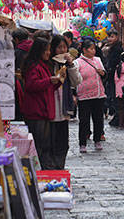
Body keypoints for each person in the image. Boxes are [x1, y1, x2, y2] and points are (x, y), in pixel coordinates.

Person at [21, 37, 64, 168]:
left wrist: (57, 82)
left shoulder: (43, 65)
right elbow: (32, 85)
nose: (48, 53)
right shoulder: (33, 66)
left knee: (44, 144)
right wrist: (50, 81)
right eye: (46, 50)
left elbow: (47, 87)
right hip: (37, 111)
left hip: (44, 110)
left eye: (49, 50)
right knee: (40, 144)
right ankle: (39, 170)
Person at [47, 35, 79, 169]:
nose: (62, 50)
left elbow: (77, 81)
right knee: (50, 140)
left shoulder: (69, 64)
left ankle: (60, 166)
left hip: (63, 106)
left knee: (62, 140)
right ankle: (51, 166)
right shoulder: (47, 63)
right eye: (59, 47)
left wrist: (71, 65)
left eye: (64, 47)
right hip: (50, 105)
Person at [75, 38, 106, 153]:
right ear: (84, 50)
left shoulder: (98, 60)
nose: (93, 51)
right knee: (84, 120)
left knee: (98, 119)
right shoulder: (78, 62)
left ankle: (97, 139)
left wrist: (102, 73)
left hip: (98, 94)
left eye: (94, 49)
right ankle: (82, 143)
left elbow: (104, 75)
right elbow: (75, 79)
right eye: (91, 49)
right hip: (84, 96)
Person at [103, 29, 123, 124]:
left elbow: (114, 62)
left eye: (112, 36)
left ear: (117, 37)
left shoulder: (117, 48)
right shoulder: (110, 47)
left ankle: (117, 116)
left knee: (114, 95)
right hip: (111, 75)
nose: (110, 39)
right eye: (109, 37)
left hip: (115, 75)